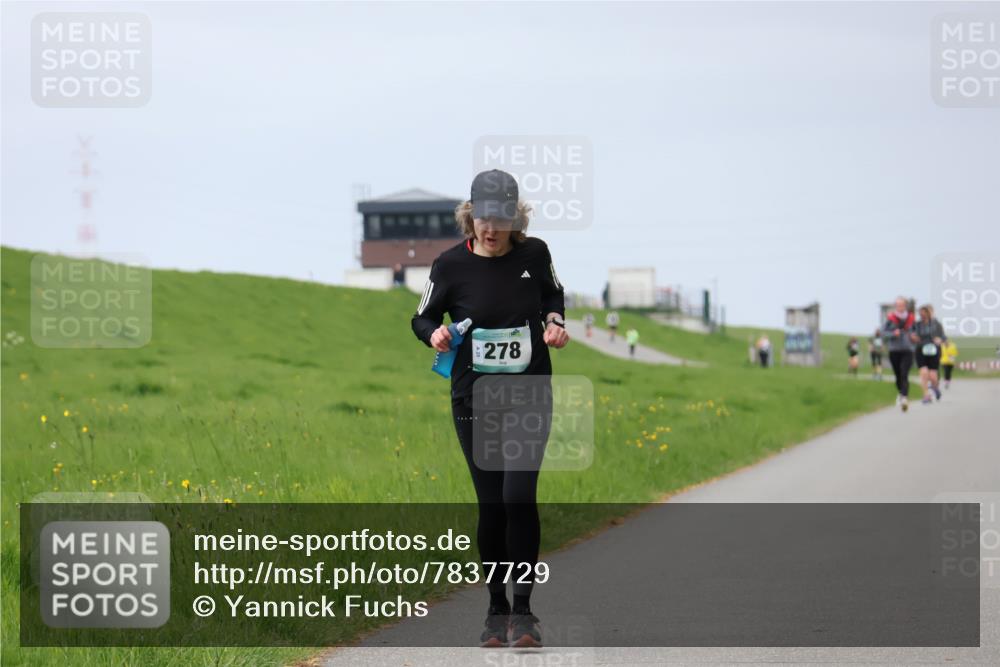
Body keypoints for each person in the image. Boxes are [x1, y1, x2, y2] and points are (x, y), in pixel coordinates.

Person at [411, 169, 569, 648]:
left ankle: (523, 613)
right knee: (492, 504)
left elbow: (552, 294)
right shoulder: (447, 266)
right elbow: (422, 316)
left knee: (519, 494)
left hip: (528, 394)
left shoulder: (535, 254)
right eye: (483, 218)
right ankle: (494, 610)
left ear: (515, 219)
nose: (491, 228)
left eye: (501, 219)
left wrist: (555, 321)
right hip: (472, 398)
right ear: (470, 216)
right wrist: (433, 334)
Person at [882, 296, 915, 412]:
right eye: (898, 305)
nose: (900, 307)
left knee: (904, 372)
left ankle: (905, 398)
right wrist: (892, 334)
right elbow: (883, 334)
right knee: (897, 375)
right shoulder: (890, 319)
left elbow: (917, 332)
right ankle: (901, 393)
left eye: (902, 305)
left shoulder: (911, 319)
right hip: (894, 350)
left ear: (905, 306)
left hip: (908, 350)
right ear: (895, 306)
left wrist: (914, 337)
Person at [911, 304, 944, 404]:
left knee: (933, 376)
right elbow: (912, 334)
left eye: (925, 313)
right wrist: (913, 337)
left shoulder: (937, 324)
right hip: (921, 350)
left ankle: (935, 388)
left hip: (934, 350)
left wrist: (939, 339)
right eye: (921, 313)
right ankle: (926, 395)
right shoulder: (917, 324)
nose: (923, 315)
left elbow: (943, 336)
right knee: (923, 373)